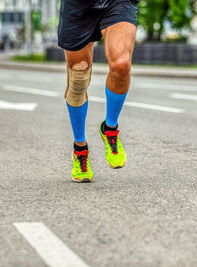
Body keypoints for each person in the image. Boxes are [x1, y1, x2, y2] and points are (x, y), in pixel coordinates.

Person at [58, 0, 139, 182]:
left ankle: (110, 128)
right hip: (78, 6)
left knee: (121, 65)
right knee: (78, 77)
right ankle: (80, 148)